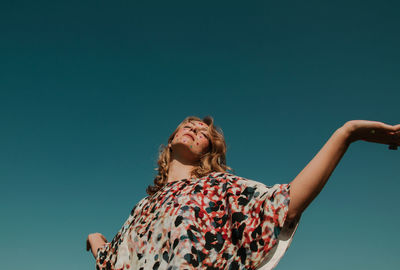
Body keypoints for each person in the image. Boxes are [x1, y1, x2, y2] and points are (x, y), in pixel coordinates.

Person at [86, 116, 400, 270]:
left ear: (210, 149)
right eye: (189, 124)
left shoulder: (220, 188)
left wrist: (347, 134)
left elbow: (285, 205)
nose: (196, 128)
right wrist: (95, 238)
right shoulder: (142, 207)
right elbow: (112, 259)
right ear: (170, 141)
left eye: (204, 132)